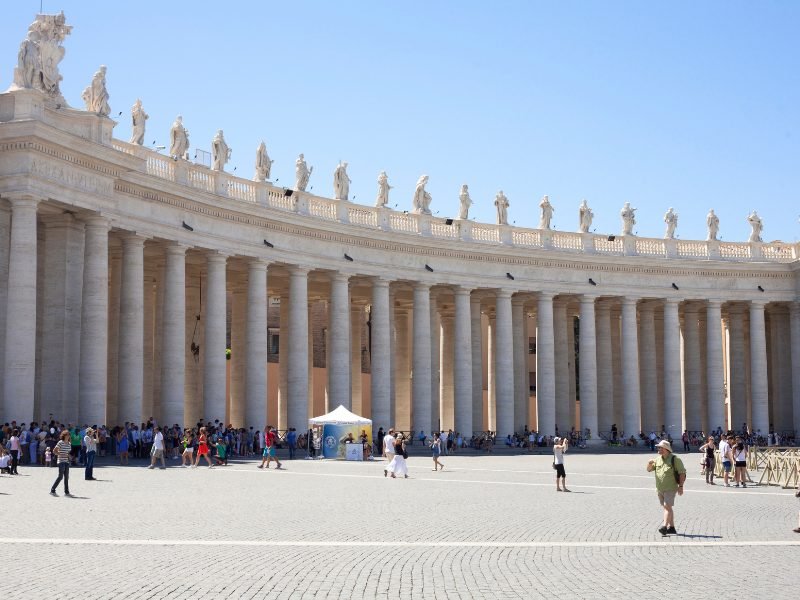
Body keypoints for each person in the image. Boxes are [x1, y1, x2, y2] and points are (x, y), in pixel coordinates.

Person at [647, 440, 686, 536]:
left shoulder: (675, 459)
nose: (658, 449)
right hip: (660, 488)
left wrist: (680, 486)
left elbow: (682, 473)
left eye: (660, 447)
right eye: (658, 447)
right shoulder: (658, 459)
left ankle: (664, 527)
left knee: (667, 507)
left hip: (670, 488)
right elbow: (648, 470)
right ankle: (672, 528)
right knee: (667, 507)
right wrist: (649, 463)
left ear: (666, 449)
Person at [50, 430, 73, 496]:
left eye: (69, 435)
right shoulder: (60, 442)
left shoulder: (69, 444)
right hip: (60, 461)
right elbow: (54, 451)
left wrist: (69, 456)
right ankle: (52, 490)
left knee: (66, 477)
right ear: (64, 435)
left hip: (66, 461)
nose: (68, 436)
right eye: (67, 434)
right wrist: (61, 454)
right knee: (60, 477)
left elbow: (68, 453)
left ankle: (66, 492)